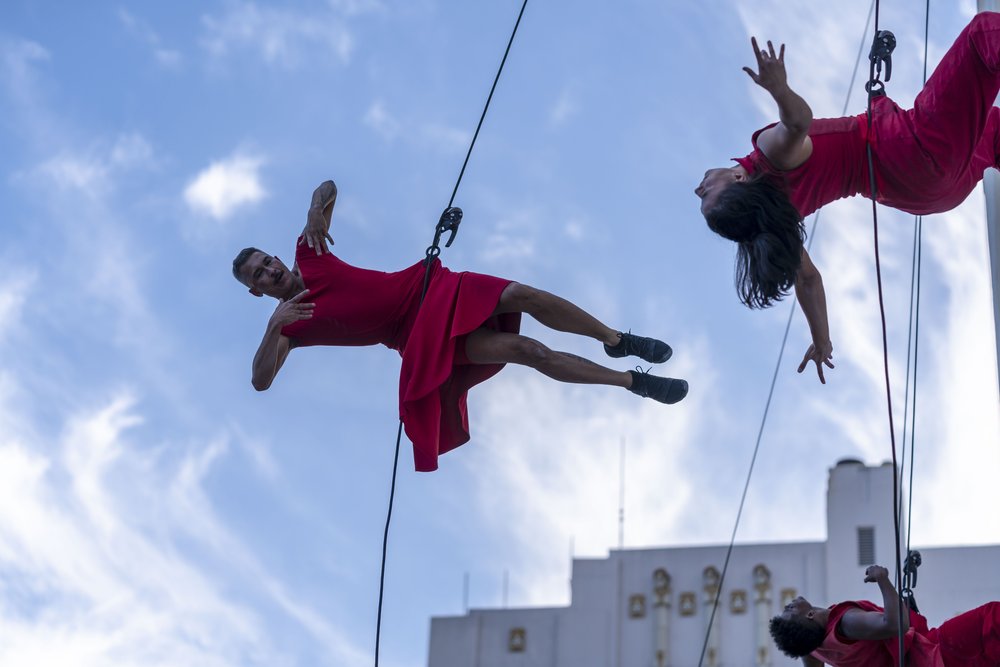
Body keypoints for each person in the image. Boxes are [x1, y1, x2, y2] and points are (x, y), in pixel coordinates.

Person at [233, 179, 688, 472]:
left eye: (265, 261)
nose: (269, 270)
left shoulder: (309, 250)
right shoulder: (289, 327)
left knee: (521, 295)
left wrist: (316, 207)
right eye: (258, 274)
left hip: (429, 288)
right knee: (529, 351)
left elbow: (329, 187)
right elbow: (260, 381)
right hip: (416, 337)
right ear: (257, 291)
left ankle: (615, 339)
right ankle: (632, 382)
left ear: (275, 257)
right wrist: (274, 327)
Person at [697, 13, 1000, 383]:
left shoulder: (779, 221)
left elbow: (807, 280)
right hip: (912, 151)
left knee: (994, 131)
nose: (699, 189)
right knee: (984, 34)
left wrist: (821, 342)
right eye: (706, 195)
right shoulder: (769, 157)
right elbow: (797, 123)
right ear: (738, 179)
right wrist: (778, 89)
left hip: (926, 194)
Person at [769, 564, 1000, 666]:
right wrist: (882, 579)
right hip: (935, 652)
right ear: (809, 615)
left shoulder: (814, 649)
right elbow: (896, 624)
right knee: (993, 619)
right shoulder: (845, 623)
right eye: (789, 611)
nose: (788, 605)